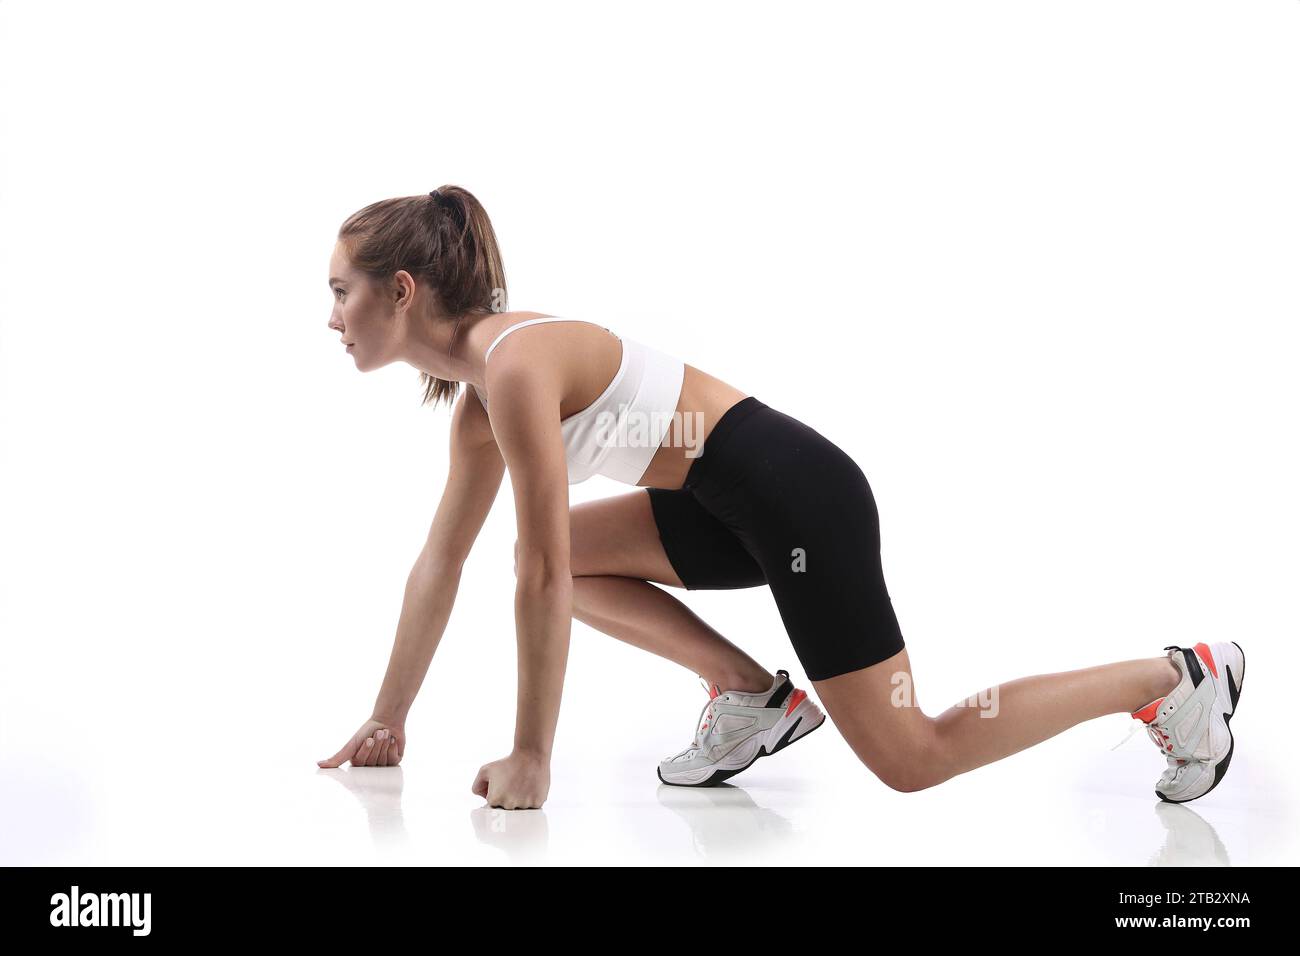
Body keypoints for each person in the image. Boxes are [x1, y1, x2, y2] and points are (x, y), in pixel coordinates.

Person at [317, 185, 1246, 810]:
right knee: (546, 549)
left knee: (910, 756)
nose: (330, 318)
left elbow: (543, 578)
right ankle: (749, 697)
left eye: (340, 292)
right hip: (716, 501)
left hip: (795, 496)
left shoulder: (517, 367)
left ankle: (1174, 680)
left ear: (400, 292)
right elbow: (443, 561)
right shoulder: (478, 410)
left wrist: (532, 756)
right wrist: (389, 716)